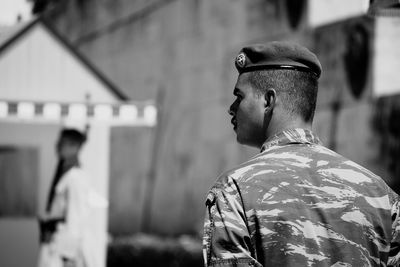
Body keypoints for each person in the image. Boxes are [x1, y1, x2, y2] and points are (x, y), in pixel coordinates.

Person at [203, 41, 400, 267]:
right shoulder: (381, 194)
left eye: (240, 97)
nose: (232, 107)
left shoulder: (234, 191)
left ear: (268, 101)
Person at [38, 127, 104, 267]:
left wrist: (67, 254)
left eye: (62, 143)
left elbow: (76, 215)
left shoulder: (76, 177)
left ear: (75, 147)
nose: (57, 147)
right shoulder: (68, 174)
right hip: (58, 241)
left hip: (65, 246)